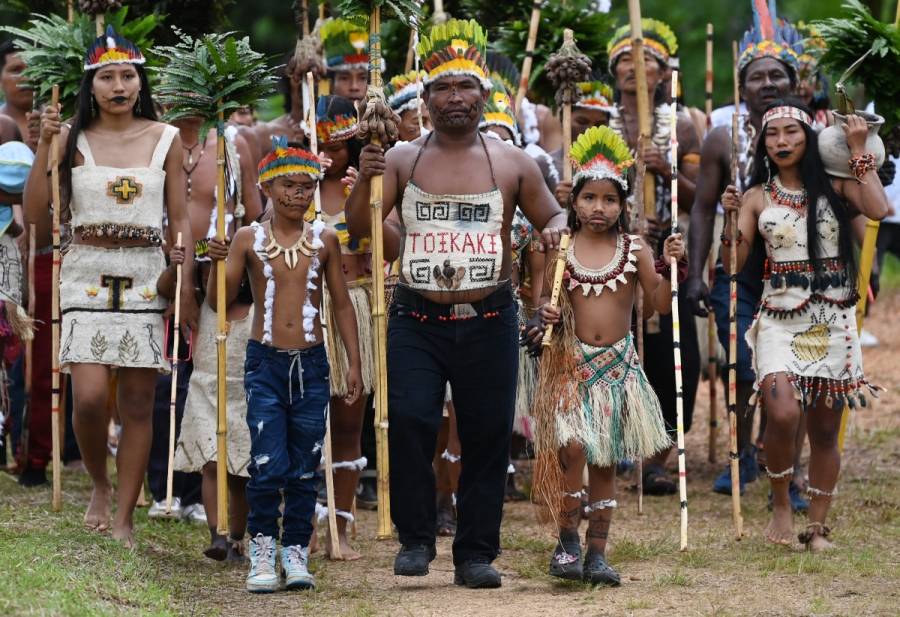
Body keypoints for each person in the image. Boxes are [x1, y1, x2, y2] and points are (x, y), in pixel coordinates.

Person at [346, 19, 567, 589]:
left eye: (465, 87)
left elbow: (555, 216)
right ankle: (416, 538)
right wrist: (361, 184)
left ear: (484, 95)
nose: (455, 99)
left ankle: (475, 554)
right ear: (425, 99)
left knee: (487, 433)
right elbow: (359, 230)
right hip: (416, 316)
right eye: (443, 89)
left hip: (489, 317)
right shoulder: (398, 158)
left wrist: (553, 234)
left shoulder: (513, 162)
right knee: (414, 420)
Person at [24, 27, 197, 546]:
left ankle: (124, 515)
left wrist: (183, 280)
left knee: (141, 403)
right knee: (92, 396)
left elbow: (179, 217)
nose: (118, 85)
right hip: (85, 273)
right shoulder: (68, 136)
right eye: (107, 76)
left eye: (127, 75)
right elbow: (36, 213)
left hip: (147, 273)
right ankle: (99, 482)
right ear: (90, 84)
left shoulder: (165, 137)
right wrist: (43, 145)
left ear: (140, 82)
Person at [721, 99, 887, 550]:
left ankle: (816, 527)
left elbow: (879, 209)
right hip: (779, 319)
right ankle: (779, 502)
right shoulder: (756, 196)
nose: (781, 142)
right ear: (762, 144)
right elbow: (733, 265)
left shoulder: (837, 186)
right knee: (783, 411)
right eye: (772, 135)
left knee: (825, 429)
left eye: (791, 132)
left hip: (833, 319)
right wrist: (730, 220)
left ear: (808, 138)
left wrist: (858, 149)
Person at [526, 125, 681, 585]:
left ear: (623, 205)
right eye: (590, 198)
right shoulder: (562, 249)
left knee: (605, 459)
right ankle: (567, 542)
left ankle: (597, 552)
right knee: (572, 448)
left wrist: (671, 269)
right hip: (571, 367)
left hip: (617, 370)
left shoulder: (635, 250)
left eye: (609, 200)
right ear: (573, 202)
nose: (599, 208)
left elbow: (658, 305)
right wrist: (546, 312)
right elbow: (540, 304)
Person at [207, 137, 361, 592]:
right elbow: (225, 297)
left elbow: (342, 305)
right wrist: (216, 261)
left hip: (312, 363)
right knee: (267, 461)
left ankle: (294, 551)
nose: (299, 195)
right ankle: (261, 550)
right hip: (265, 365)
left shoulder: (325, 239)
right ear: (268, 189)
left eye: (307, 188)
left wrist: (353, 363)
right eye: (290, 187)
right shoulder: (247, 239)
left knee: (304, 463)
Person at [685, 7, 809, 508]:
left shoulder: (813, 138)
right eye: (756, 76)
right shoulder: (723, 137)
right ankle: (742, 455)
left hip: (799, 275)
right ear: (741, 86)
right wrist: (695, 274)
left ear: (794, 82)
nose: (766, 83)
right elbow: (701, 209)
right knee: (742, 363)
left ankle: (790, 468)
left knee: (795, 370)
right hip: (736, 273)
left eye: (776, 74)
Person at [605, 18, 701, 494]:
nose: (634, 68)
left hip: (664, 250)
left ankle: (657, 457)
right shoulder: (597, 123)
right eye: (624, 59)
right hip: (606, 251)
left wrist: (665, 171)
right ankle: (610, 448)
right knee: (610, 352)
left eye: (646, 61)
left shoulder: (681, 125)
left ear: (663, 74)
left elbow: (699, 193)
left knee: (678, 358)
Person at [314, 94, 392, 560]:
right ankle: (301, 523)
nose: (329, 153)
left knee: (346, 423)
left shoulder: (362, 185)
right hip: (306, 310)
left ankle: (341, 529)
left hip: (356, 307)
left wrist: (364, 188)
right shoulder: (291, 184)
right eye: (320, 143)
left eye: (339, 145)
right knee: (304, 424)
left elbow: (390, 243)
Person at [320, 18, 370, 103]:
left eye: (362, 78)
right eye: (344, 78)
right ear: (331, 85)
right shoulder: (312, 116)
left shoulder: (389, 116)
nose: (354, 87)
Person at [0, 42, 38, 151]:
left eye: (32, 69)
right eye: (16, 70)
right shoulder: (2, 126)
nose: (26, 77)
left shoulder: (59, 121)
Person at [384, 69, 429, 143]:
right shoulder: (380, 153)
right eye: (419, 122)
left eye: (434, 122)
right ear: (394, 125)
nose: (430, 130)